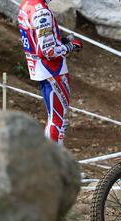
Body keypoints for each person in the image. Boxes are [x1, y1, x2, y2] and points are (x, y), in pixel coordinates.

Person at [18, 0, 83, 145]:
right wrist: (71, 47)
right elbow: (48, 51)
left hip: (41, 69)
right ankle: (53, 161)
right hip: (52, 70)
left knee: (54, 118)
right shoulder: (41, 12)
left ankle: (50, 159)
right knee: (57, 119)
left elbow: (37, 39)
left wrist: (62, 41)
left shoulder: (26, 5)